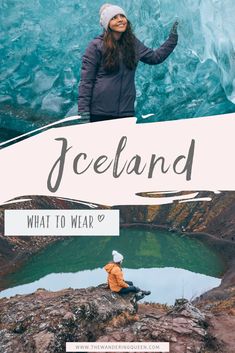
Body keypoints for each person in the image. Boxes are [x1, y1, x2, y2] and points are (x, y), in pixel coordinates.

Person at [78, 3, 178, 123]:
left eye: (122, 16)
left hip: (126, 112)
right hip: (100, 112)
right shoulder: (96, 46)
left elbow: (155, 57)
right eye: (114, 18)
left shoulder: (133, 44)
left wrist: (173, 38)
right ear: (106, 23)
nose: (120, 20)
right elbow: (86, 81)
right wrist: (83, 112)